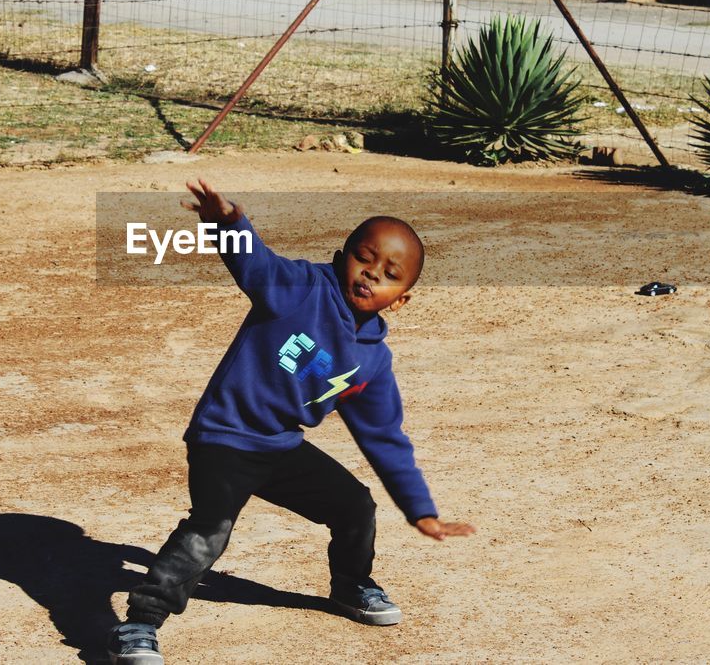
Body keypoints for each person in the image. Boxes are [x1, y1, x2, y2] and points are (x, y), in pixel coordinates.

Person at [108, 178, 475, 665]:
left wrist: (420, 509)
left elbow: (385, 438)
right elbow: (252, 262)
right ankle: (138, 624)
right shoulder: (300, 289)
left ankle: (351, 585)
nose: (370, 275)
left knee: (354, 507)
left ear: (401, 298)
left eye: (389, 274)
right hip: (225, 436)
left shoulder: (372, 363)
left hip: (279, 446)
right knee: (210, 529)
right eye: (363, 257)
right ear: (340, 254)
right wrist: (226, 222)